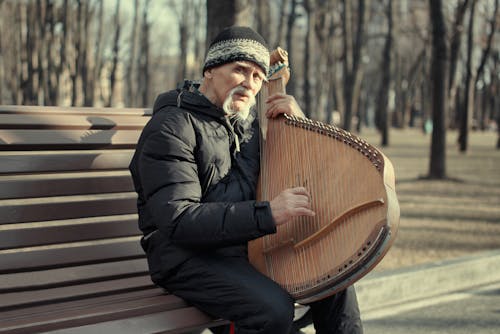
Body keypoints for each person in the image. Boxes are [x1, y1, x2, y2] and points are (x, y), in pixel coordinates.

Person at [129, 26, 363, 334]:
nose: (249, 84)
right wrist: (268, 214)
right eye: (240, 70)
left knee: (335, 278)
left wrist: (298, 121)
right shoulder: (172, 127)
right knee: (272, 310)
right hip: (183, 256)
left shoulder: (246, 125)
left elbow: (299, 171)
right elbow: (179, 219)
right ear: (210, 70)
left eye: (257, 76)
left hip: (242, 246)